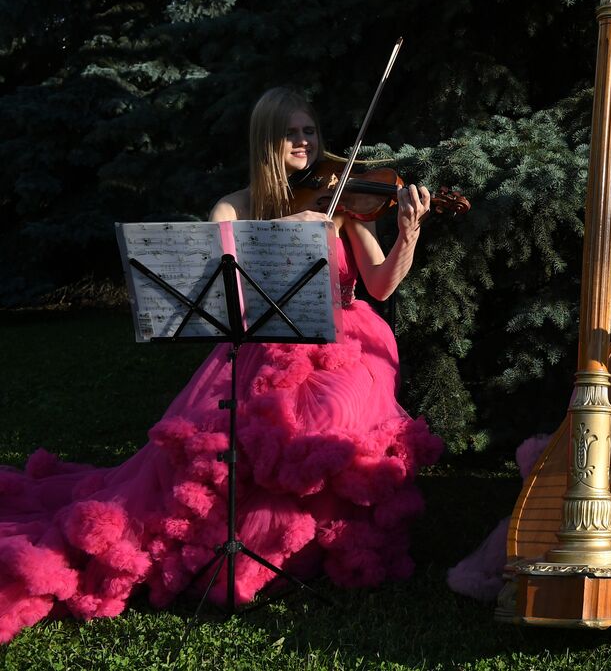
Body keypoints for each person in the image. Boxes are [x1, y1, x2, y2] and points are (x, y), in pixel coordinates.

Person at [1, 87, 442, 645]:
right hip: (262, 344)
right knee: (233, 441)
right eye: (291, 133)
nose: (305, 142)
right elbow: (229, 303)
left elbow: (379, 286)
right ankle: (246, 545)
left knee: (335, 407)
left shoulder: (344, 203)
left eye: (310, 131)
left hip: (346, 338)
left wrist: (408, 232)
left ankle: (319, 543)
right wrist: (289, 235)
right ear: (266, 141)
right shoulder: (233, 208)